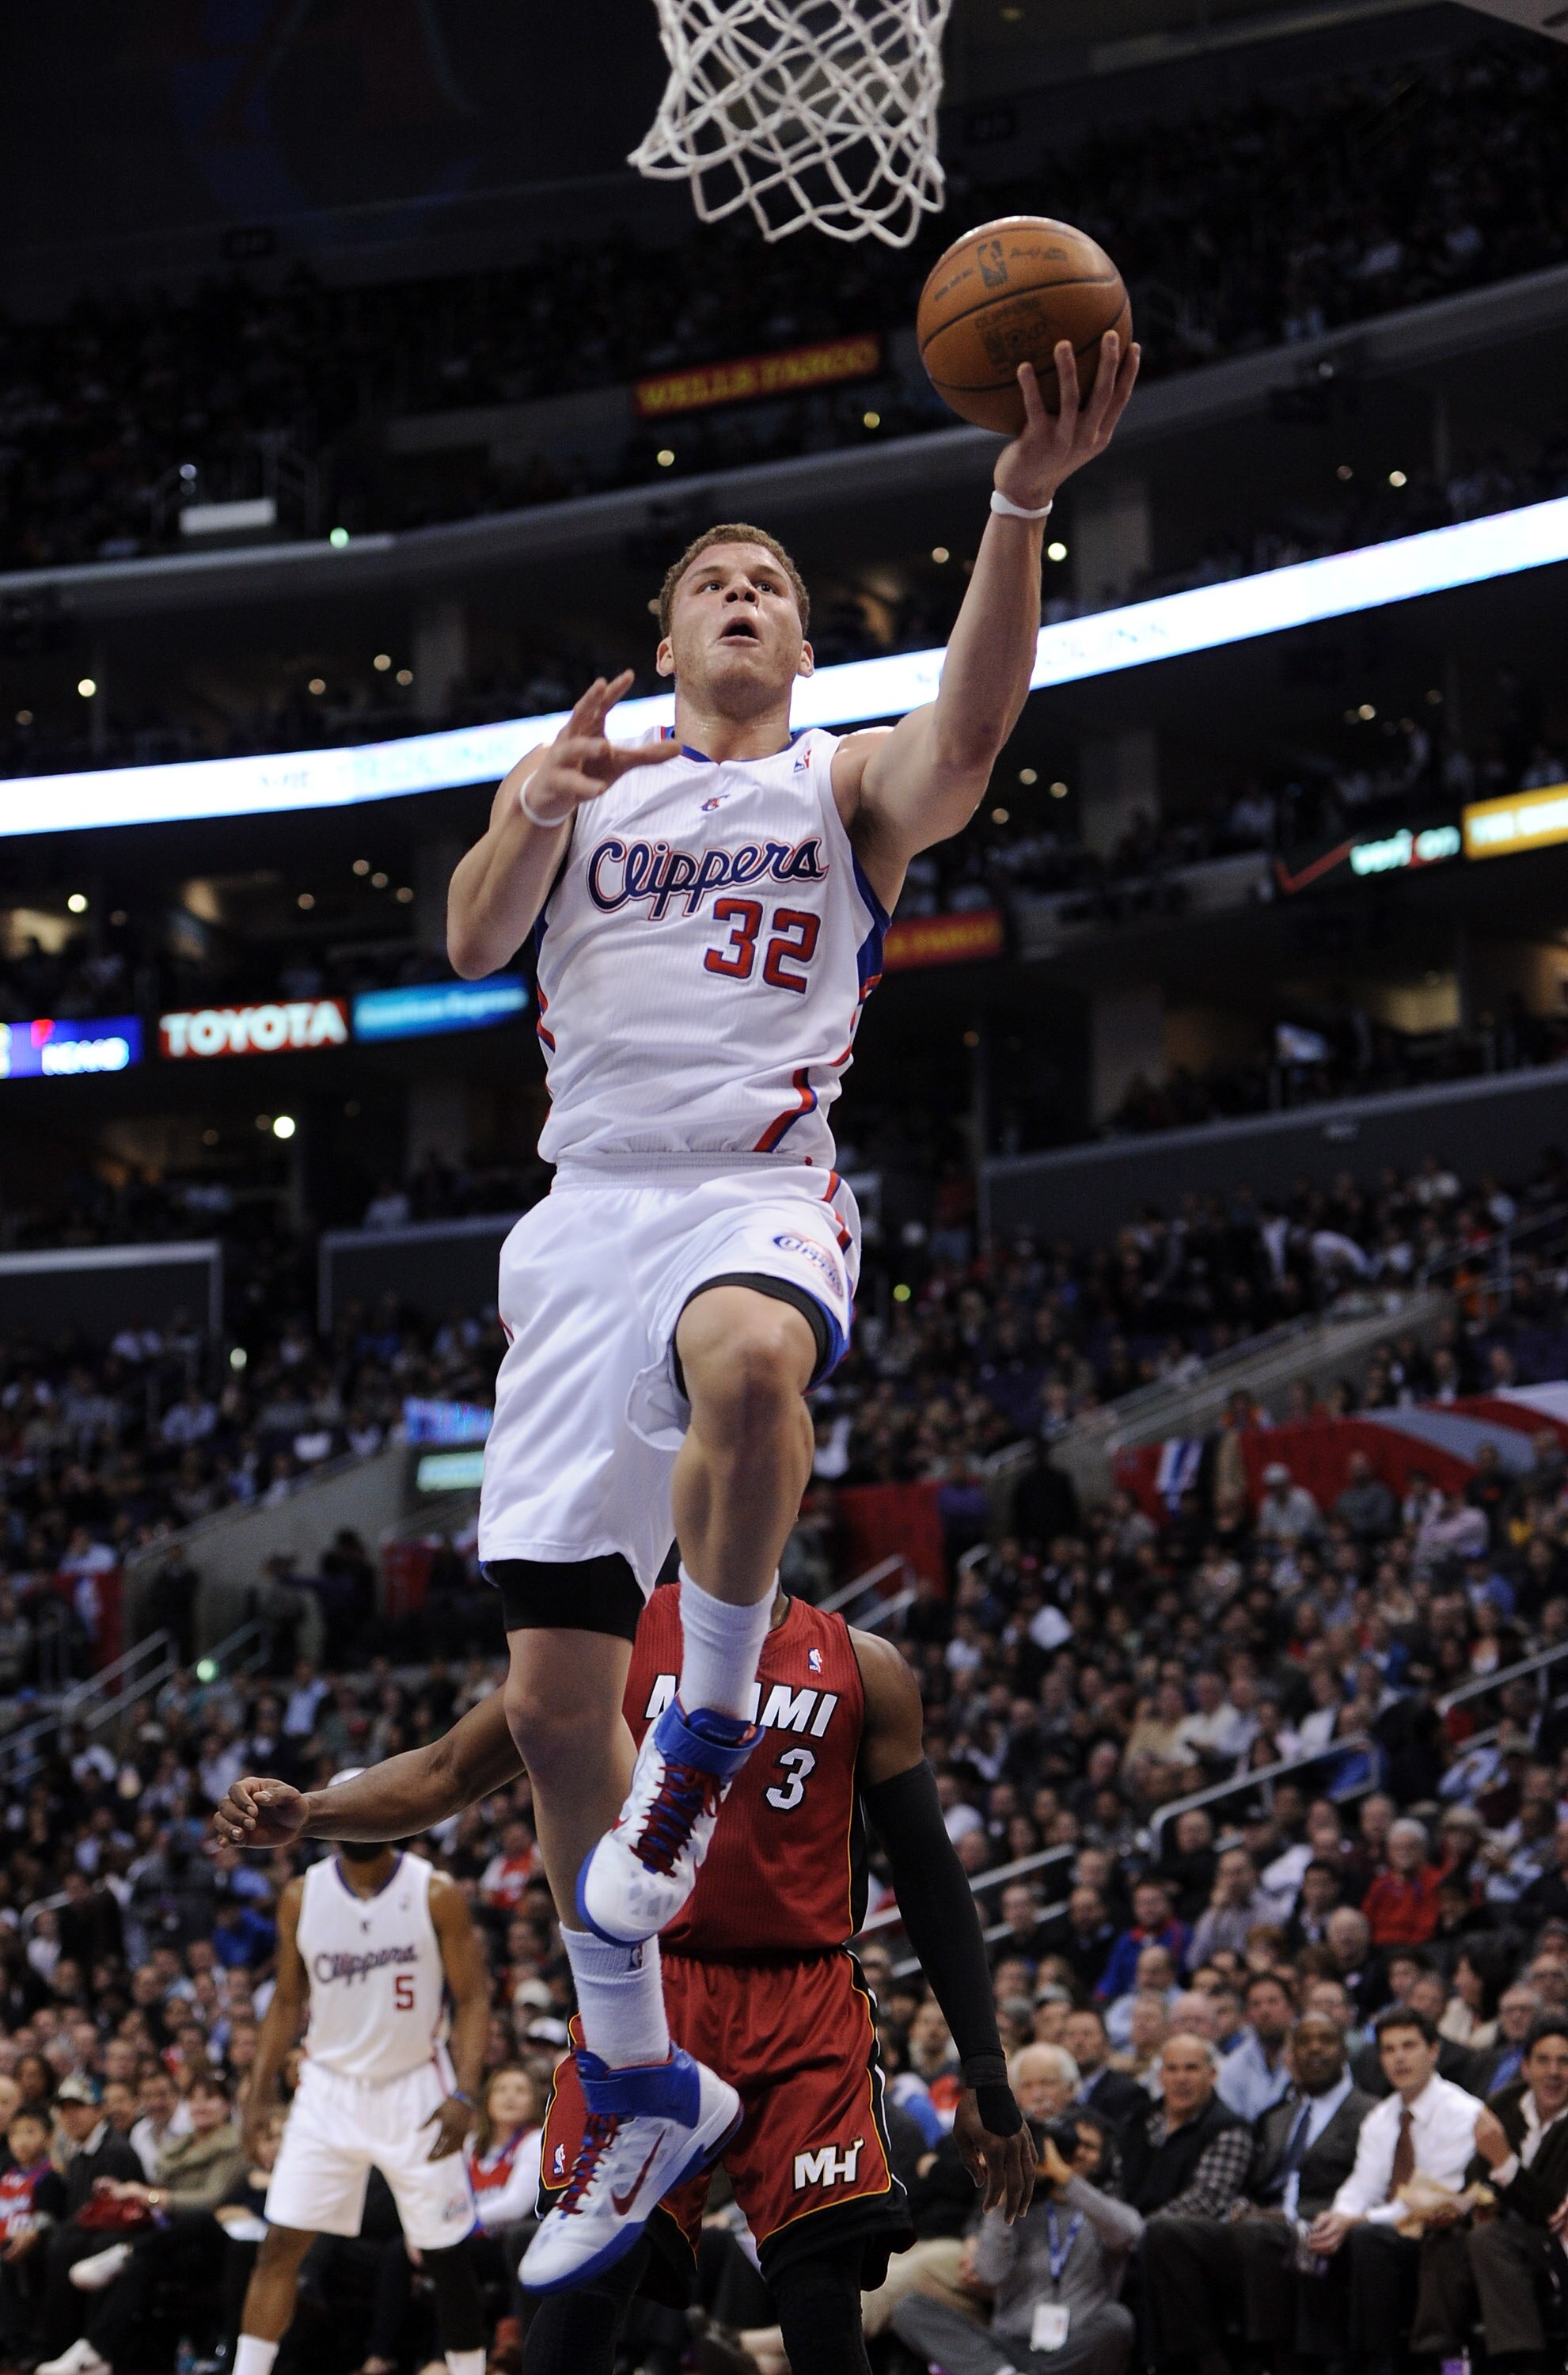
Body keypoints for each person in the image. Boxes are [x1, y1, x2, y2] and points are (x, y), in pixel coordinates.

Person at [441, 329, 1138, 2290]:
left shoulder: (841, 779)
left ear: (804, 652)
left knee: (755, 1357)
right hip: (578, 1220)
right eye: (712, 583)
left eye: (776, 588)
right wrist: (522, 801)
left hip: (752, 1182)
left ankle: (722, 1710)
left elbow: (978, 737)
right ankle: (642, 2070)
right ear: (666, 638)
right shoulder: (585, 783)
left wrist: (1016, 502)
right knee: (555, 1709)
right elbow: (475, 936)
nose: (745, 596)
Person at [215, 1574, 1035, 2375]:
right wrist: (314, 1811)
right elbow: (447, 1772)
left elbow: (930, 1878)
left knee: (820, 2306)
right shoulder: (606, 1646)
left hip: (803, 1999)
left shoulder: (864, 1666)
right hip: (650, 1987)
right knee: (585, 2286)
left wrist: (987, 2073)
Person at [227, 1781, 491, 2375]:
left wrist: (464, 2090)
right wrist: (259, 2090)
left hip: (416, 2087)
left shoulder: (434, 1891)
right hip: (328, 2088)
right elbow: (286, 2003)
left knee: (447, 2256)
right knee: (280, 2245)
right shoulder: (301, 1895)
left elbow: (473, 2000)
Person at [1141, 2013, 1374, 2375]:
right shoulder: (1277, 2116)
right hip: (1258, 2225)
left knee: (1258, 2234)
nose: (1314, 2050)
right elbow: (1252, 2185)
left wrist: (1292, 2216)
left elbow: (1368, 2185)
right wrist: (1242, 2207)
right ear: (1290, 2056)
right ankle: (1208, 2360)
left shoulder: (1370, 2113)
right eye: (1303, 2042)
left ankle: (1276, 2362)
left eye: (1325, 2041)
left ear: (1344, 2051)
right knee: (1167, 2231)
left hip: (1320, 2228)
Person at [891, 2111, 1142, 2375]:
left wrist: (1064, 2177)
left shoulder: (1104, 2213)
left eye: (1089, 2147)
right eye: (1068, 2144)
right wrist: (1003, 2198)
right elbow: (989, 2272)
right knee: (910, 2309)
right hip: (1012, 2345)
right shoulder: (1020, 2208)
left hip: (1076, 2350)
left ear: (1104, 2158)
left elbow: (1130, 2233)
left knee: (1118, 2320)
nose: (1076, 2153)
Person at [1306, 2005, 1483, 2375]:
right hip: (1386, 2232)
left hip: (1440, 2235)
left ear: (1433, 2051)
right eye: (1388, 2049)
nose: (1399, 2058)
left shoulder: (1463, 2112)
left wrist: (1358, 2220)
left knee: (1369, 2238)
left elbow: (1433, 2198)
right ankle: (1321, 2361)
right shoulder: (1381, 2117)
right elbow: (1363, 2184)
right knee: (1316, 2238)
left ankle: (1380, 2363)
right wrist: (1338, 2216)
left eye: (1409, 2046)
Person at [38, 2072, 244, 2375]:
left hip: (218, 2242)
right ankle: (96, 2353)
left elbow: (210, 2199)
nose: (201, 2106)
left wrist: (148, 2195)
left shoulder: (235, 2147)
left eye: (210, 2098)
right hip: (172, 2241)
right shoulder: (177, 2149)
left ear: (227, 2106)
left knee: (196, 2218)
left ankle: (124, 2254)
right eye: (195, 2099)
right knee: (139, 2265)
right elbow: (153, 2197)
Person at [1412, 2011, 1568, 2366]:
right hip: (1500, 2233)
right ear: (1526, 2068)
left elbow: (1557, 2211)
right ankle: (1442, 2359)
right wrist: (1462, 2205)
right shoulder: (1501, 2106)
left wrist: (1506, 2166)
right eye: (1543, 2061)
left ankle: (1521, 2363)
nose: (1554, 2073)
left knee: (1491, 2240)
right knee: (1444, 2239)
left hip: (1551, 2245)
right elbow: (1479, 2177)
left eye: (1565, 2062)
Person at [1120, 2036, 1251, 2222]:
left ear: (1212, 2075)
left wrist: (1138, 2231)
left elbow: (1206, 2201)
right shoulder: (1139, 2121)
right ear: (1160, 2076)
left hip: (1180, 2241)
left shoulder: (1230, 2130)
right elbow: (1115, 2183)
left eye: (1192, 2068)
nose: (1181, 2079)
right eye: (1172, 2069)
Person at [1215, 1970, 1297, 2122]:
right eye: (1256, 2004)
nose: (1264, 2011)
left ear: (1290, 2009)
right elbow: (1228, 2119)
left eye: (1273, 2002)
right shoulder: (1233, 2065)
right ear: (1247, 2015)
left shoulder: (1311, 2056)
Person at [1063, 2009, 1147, 2136]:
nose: (1079, 2042)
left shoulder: (1128, 2093)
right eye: (1071, 2035)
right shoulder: (1058, 2090)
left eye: (1087, 2034)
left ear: (1106, 2041)